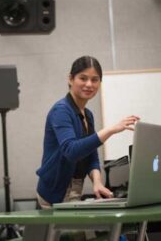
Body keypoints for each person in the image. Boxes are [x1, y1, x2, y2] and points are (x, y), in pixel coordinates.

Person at [36, 56, 140, 208]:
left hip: (73, 191)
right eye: (83, 78)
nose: (89, 84)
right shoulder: (61, 110)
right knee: (77, 231)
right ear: (71, 79)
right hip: (54, 193)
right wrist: (110, 130)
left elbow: (91, 155)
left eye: (95, 79)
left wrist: (97, 183)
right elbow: (71, 151)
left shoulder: (88, 114)